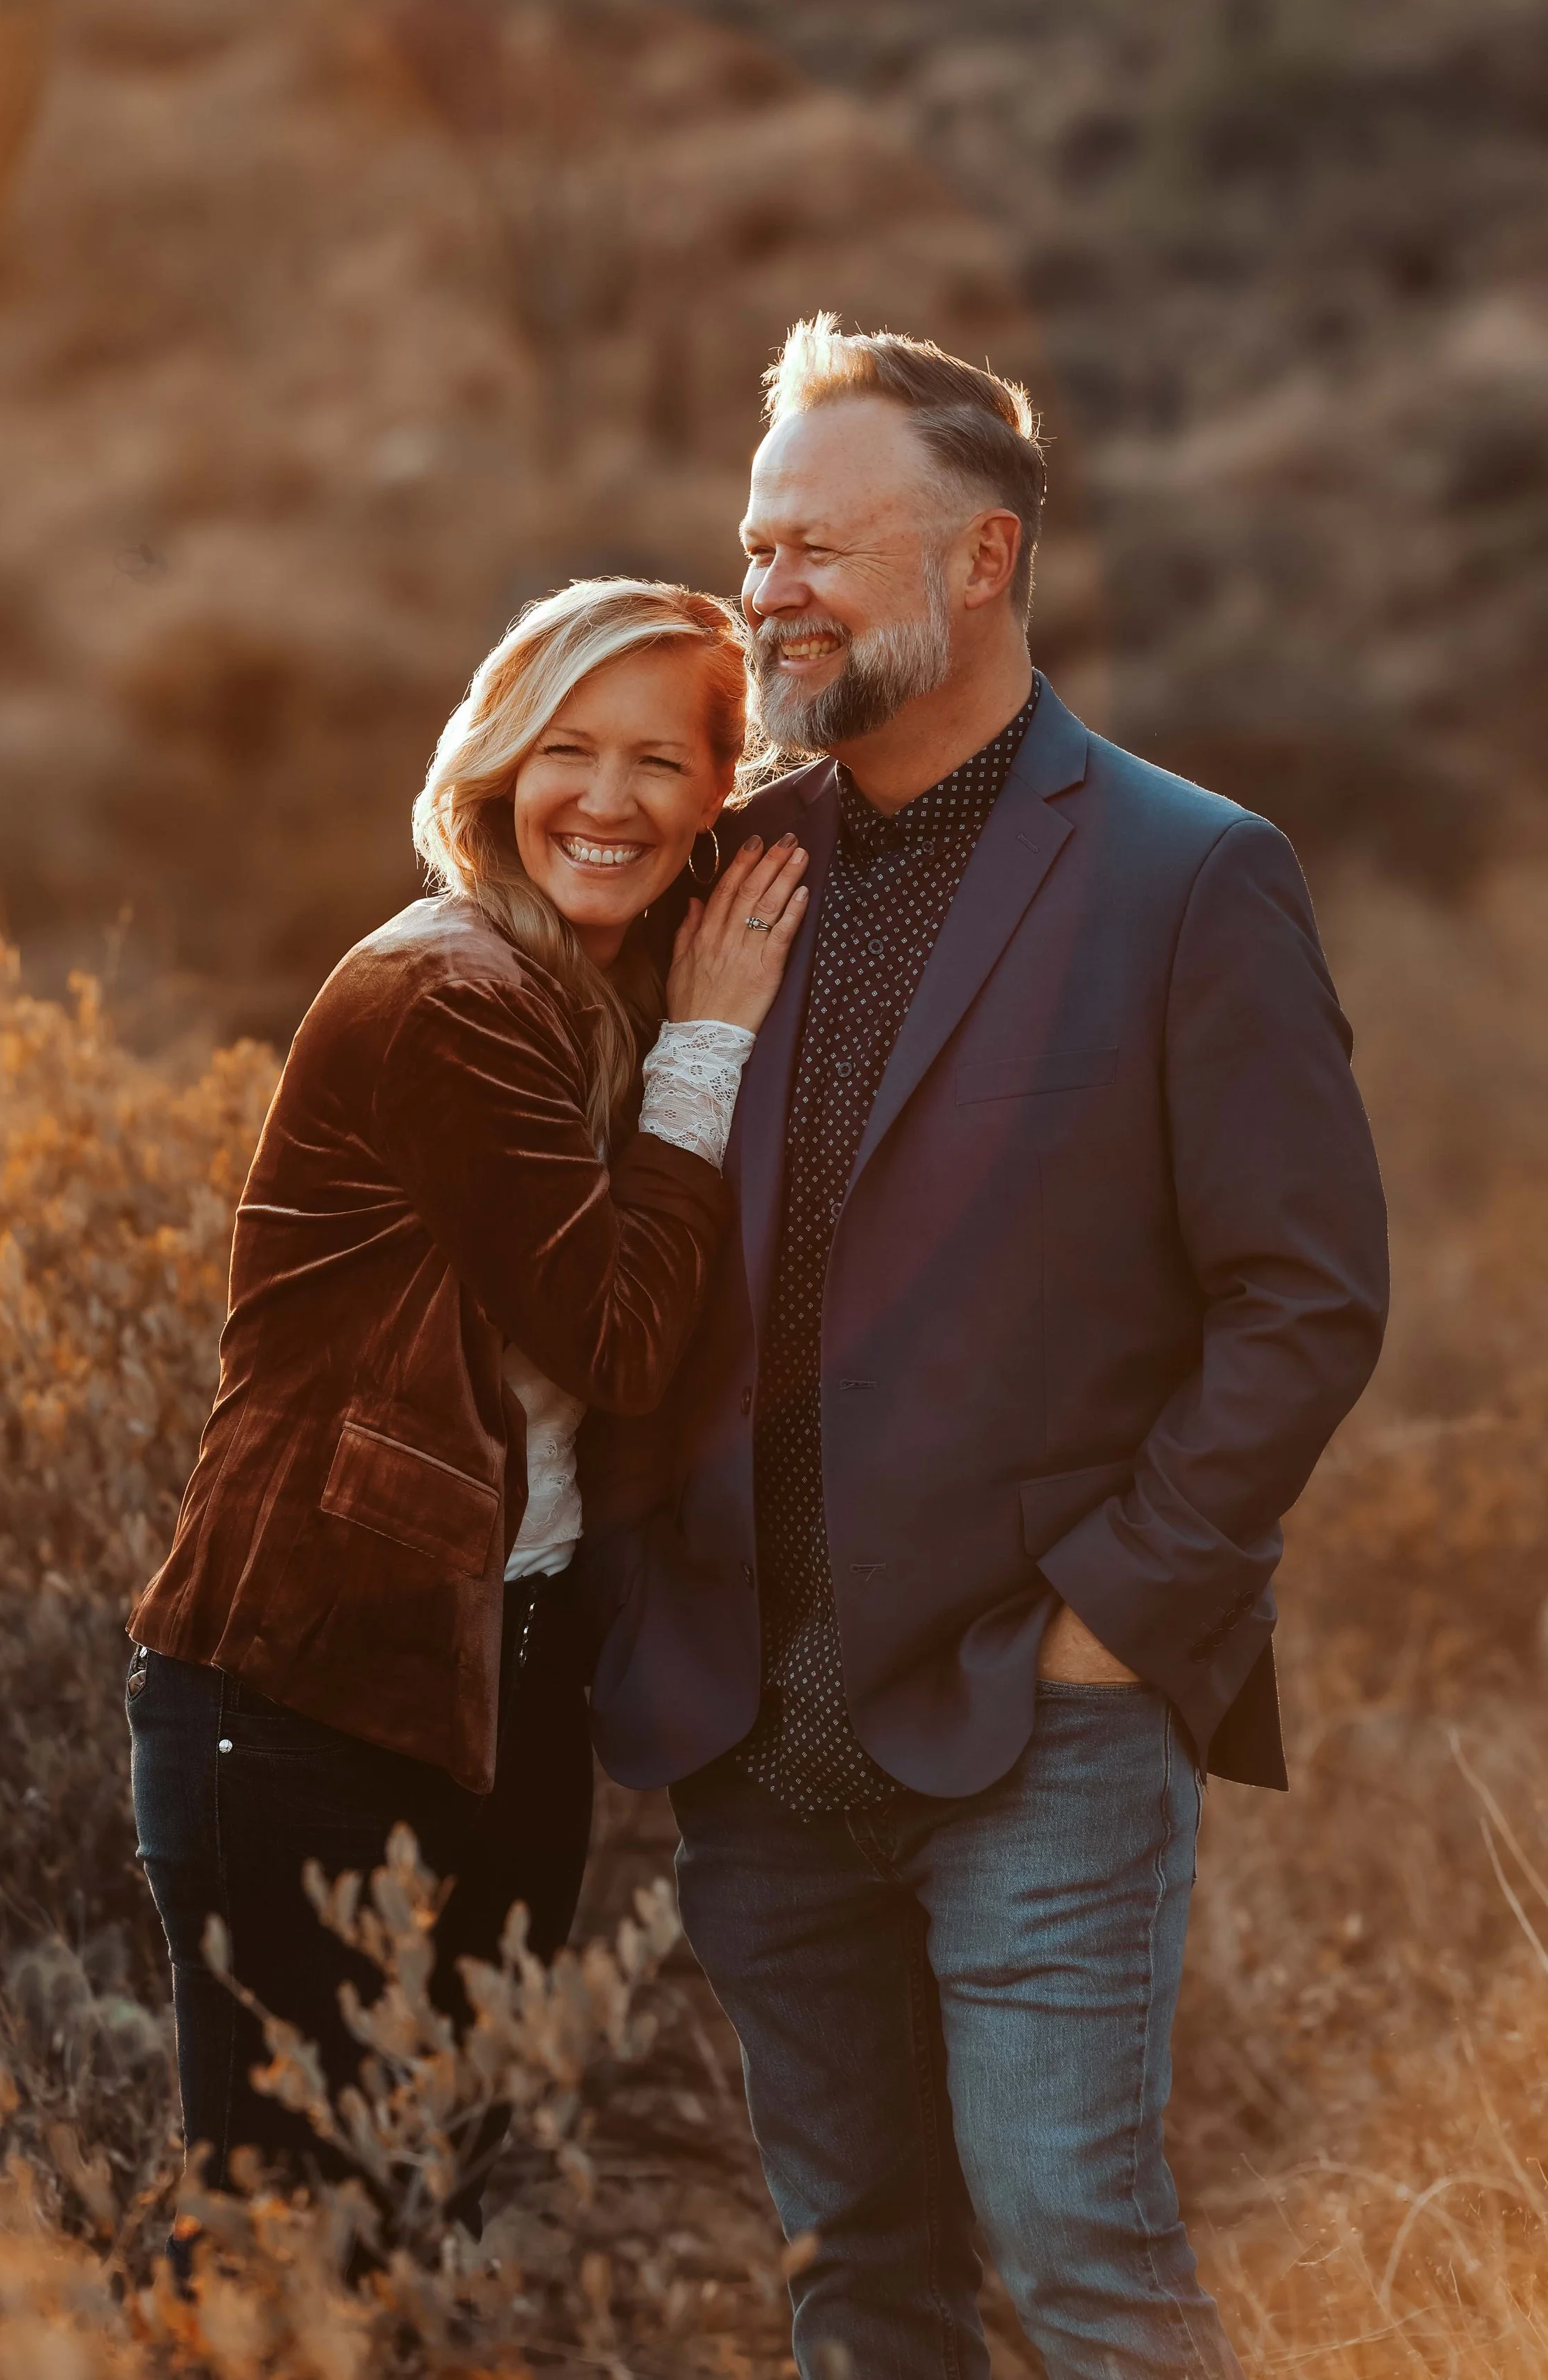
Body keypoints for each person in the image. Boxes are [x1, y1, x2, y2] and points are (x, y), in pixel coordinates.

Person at [579, 320, 1390, 2379]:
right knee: (858, 2278)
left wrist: (1119, 1612)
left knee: (1079, 2258)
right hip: (753, 1733)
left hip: (1039, 1718)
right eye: (756, 543)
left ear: (982, 558)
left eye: (821, 546)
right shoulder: (723, 866)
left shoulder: (1185, 872)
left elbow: (1304, 1294)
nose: (767, 588)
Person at [126, 576, 808, 2222]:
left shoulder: (595, 987)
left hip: (504, 1681)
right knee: (295, 2250)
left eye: (663, 761)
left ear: (720, 793)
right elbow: (620, 1340)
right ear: (497, 763)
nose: (607, 798)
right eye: (566, 747)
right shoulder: (449, 997)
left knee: (435, 2219)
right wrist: (710, 1046)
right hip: (304, 1691)